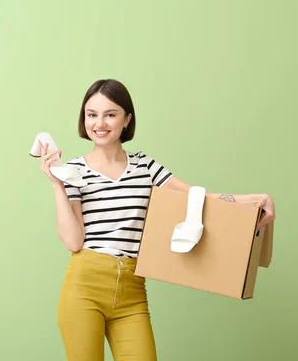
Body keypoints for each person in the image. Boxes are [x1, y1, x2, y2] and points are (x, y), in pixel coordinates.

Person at [39, 78, 276, 361]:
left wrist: (253, 200)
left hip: (132, 291)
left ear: (127, 119)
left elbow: (197, 198)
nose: (99, 123)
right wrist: (57, 184)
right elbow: (73, 241)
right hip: (84, 287)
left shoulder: (145, 166)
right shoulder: (74, 171)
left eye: (110, 114)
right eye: (92, 115)